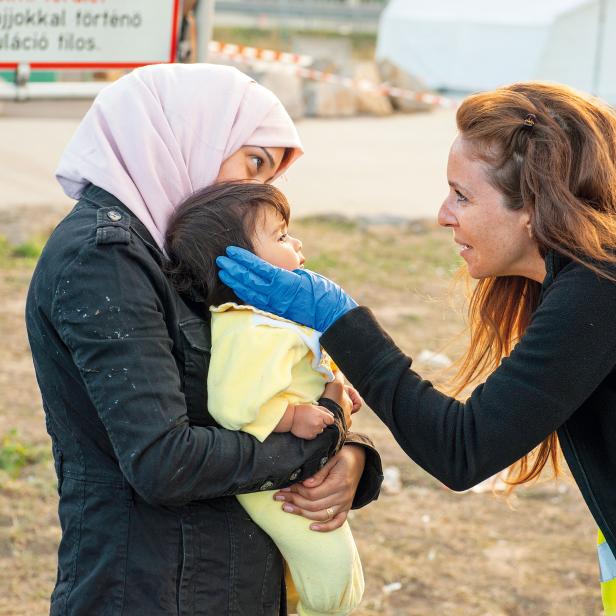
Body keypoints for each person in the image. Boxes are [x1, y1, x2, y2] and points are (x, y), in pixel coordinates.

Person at [217, 81, 616, 613]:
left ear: (535, 206)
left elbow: (463, 449)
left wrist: (339, 319)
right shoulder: (585, 281)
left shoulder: (599, 288)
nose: (443, 214)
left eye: (463, 195)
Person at [25, 63, 382, 616]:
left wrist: (352, 456)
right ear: (186, 134)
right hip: (153, 589)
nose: (254, 191)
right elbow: (164, 460)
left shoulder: (185, 253)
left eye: (269, 177)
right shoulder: (106, 259)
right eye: (253, 163)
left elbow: (257, 384)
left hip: (223, 580)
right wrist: (318, 443)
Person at [165, 181, 365, 616]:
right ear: (240, 266)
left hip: (297, 464)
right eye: (280, 237)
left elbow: (299, 367)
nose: (296, 243)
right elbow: (232, 404)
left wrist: (336, 389)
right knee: (331, 577)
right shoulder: (247, 330)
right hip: (276, 479)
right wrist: (292, 415)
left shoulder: (269, 317)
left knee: (330, 569)